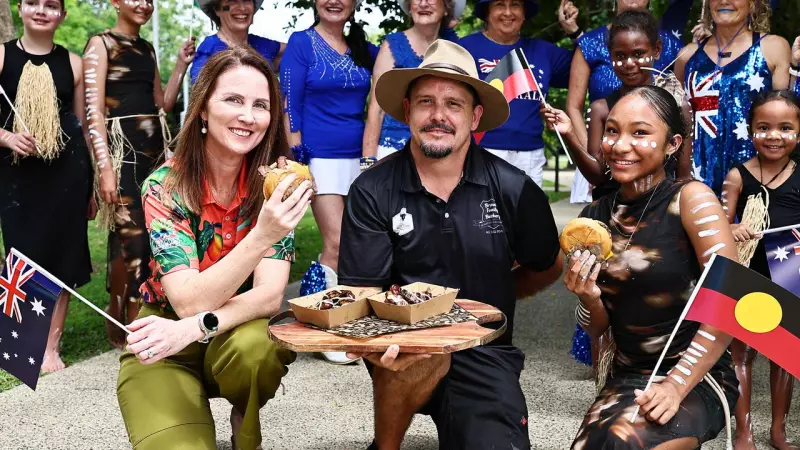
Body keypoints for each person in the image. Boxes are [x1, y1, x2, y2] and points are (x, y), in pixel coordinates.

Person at [339, 39, 564, 450]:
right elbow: (362, 292)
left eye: (454, 104)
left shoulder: (514, 189)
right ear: (407, 110)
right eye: (426, 101)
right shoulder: (372, 190)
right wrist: (373, 343)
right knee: (417, 355)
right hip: (403, 344)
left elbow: (548, 263)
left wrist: (499, 294)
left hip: (484, 351)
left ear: (475, 116)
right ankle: (385, 445)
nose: (438, 115)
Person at [116, 47, 312, 450]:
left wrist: (198, 327)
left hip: (232, 331)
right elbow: (187, 302)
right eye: (233, 100)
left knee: (257, 347)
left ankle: (246, 417)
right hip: (165, 337)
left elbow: (270, 296)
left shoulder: (278, 185)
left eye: (261, 105)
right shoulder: (164, 186)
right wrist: (262, 235)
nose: (248, 116)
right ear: (203, 109)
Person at [556, 85, 739, 449]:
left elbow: (730, 299)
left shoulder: (691, 200)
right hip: (627, 377)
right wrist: (588, 296)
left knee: (627, 443)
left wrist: (676, 384)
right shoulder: (593, 218)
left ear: (671, 144)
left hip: (697, 376)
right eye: (612, 130)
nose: (620, 145)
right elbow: (597, 329)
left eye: (640, 132)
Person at [82, 0, 195, 348]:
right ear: (115, 2)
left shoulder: (146, 48)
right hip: (121, 157)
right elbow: (93, 113)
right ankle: (123, 318)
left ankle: (140, 315)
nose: (143, 5)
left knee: (154, 235)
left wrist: (180, 66)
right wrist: (104, 169)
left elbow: (162, 104)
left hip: (153, 157)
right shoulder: (99, 45)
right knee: (130, 239)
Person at [281, 0, 378, 364]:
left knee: (359, 244)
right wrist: (298, 159)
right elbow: (290, 101)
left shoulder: (363, 46)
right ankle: (326, 330)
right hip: (318, 158)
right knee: (336, 242)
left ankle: (347, 322)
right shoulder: (301, 43)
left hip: (361, 159)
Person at [0, 0, 93, 373]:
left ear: (62, 15)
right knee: (23, 252)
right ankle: (20, 345)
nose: (42, 10)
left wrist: (90, 188)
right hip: (18, 176)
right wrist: (7, 138)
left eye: (51, 5)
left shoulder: (73, 62)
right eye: (33, 3)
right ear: (21, 9)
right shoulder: (3, 56)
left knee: (62, 255)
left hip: (67, 173)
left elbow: (81, 121)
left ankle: (50, 347)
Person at [720, 90, 800, 450]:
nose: (774, 135)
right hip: (747, 275)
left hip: (791, 274)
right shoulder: (738, 176)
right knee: (743, 353)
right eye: (764, 127)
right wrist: (732, 228)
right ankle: (743, 430)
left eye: (785, 128)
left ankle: (779, 429)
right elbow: (718, 226)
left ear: (798, 133)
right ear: (751, 130)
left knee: (784, 353)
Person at [546, 10, 693, 202]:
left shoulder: (677, 107)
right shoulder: (602, 109)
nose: (629, 63)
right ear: (610, 55)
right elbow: (597, 175)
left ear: (656, 50)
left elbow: (683, 175)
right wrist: (570, 134)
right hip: (612, 208)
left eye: (638, 54)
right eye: (620, 56)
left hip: (660, 210)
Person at [674, 0, 793, 195]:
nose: (724, 1)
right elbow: (681, 121)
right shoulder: (687, 56)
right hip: (698, 182)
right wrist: (683, 177)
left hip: (758, 181)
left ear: (753, 4)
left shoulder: (773, 47)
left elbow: (786, 117)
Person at [457, 0, 572, 188]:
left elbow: (590, 65)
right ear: (487, 13)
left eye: (516, 5)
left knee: (527, 216)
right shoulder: (464, 48)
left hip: (530, 156)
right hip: (479, 151)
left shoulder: (543, 51)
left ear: (524, 13)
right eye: (500, 5)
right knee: (483, 216)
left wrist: (572, 30)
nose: (508, 12)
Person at [362, 0, 465, 163]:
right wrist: (368, 162)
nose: (423, 3)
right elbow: (376, 109)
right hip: (393, 151)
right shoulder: (391, 46)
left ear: (446, 7)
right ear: (409, 6)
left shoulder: (453, 49)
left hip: (439, 149)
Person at [192, 0, 285, 84]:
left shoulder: (261, 44)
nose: (242, 8)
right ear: (217, 9)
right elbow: (201, 94)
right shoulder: (209, 50)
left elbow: (296, 49)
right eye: (232, 1)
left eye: (247, 0)